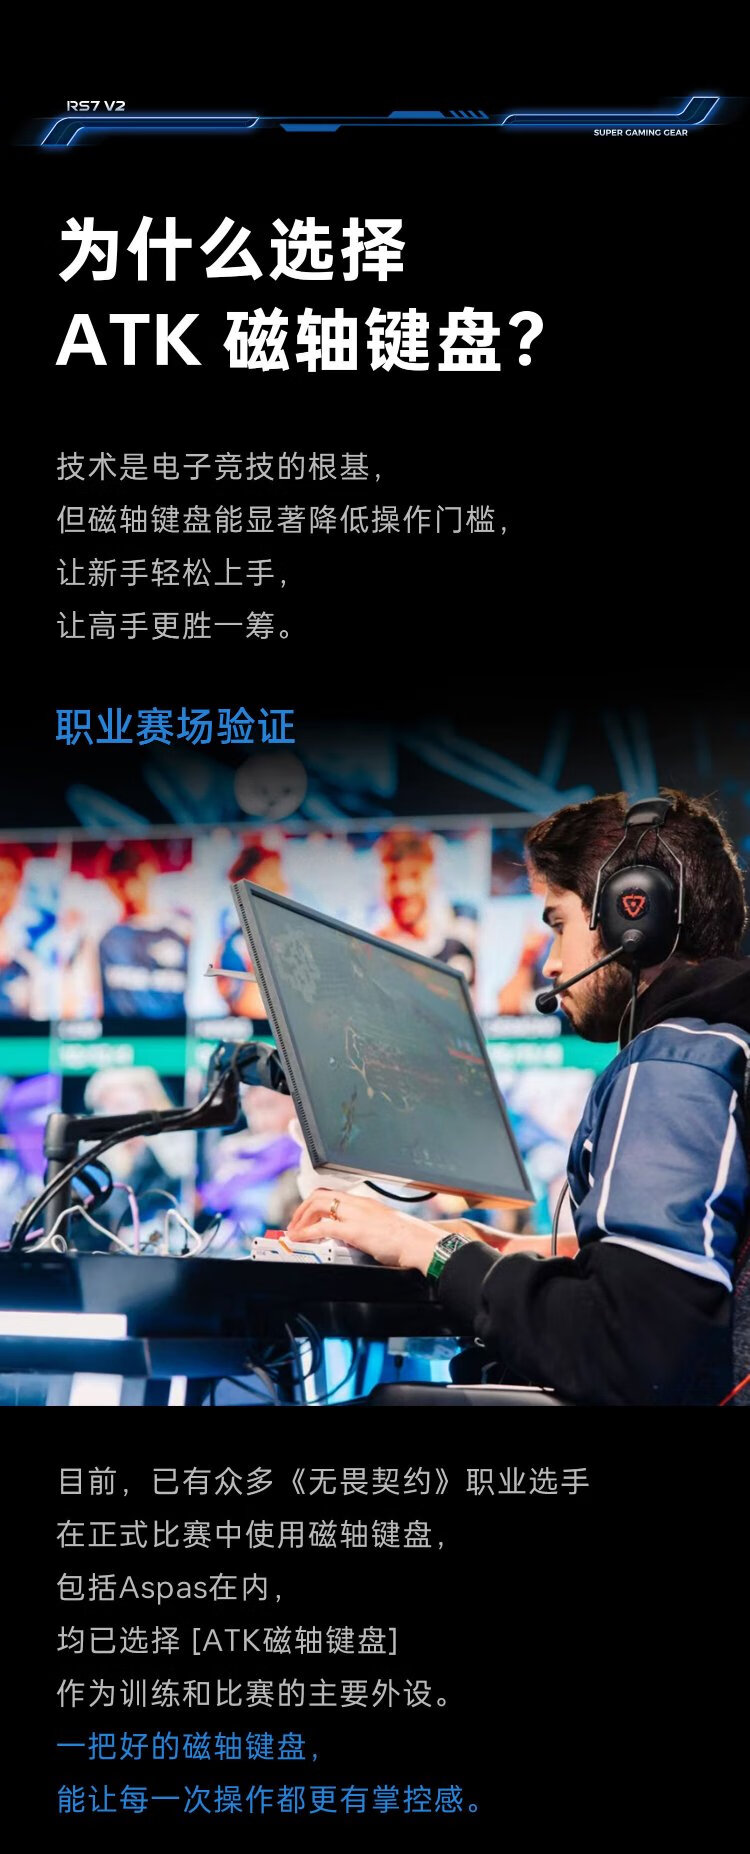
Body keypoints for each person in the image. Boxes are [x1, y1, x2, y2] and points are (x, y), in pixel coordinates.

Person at [288, 790, 750, 1405]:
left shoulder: (675, 1065)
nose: (552, 964)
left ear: (633, 915)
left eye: (558, 924)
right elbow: (691, 1268)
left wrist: (430, 1249)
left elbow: (629, 1346)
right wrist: (506, 1251)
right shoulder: (724, 1042)